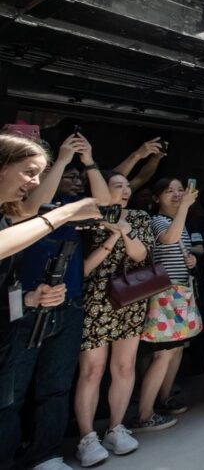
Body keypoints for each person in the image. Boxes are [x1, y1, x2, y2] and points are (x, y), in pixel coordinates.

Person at [0, 133, 103, 470]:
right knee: (9, 398)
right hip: (19, 320)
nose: (34, 182)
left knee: (51, 386)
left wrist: (27, 297)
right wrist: (61, 215)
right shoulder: (44, 213)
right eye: (30, 172)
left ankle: (46, 454)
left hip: (33, 308)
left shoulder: (9, 211)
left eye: (39, 174)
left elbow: (27, 210)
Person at [74, 172, 152, 466]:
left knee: (124, 366)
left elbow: (140, 256)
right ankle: (86, 437)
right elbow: (83, 267)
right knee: (92, 370)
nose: (126, 190)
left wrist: (125, 231)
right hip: (95, 298)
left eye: (128, 185)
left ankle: (116, 427)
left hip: (131, 296)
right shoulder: (87, 218)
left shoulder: (139, 217)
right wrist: (112, 234)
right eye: (117, 185)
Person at [132, 178, 200, 432]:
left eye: (180, 190)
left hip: (179, 293)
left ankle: (164, 399)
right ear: (156, 198)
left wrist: (191, 260)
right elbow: (169, 239)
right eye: (169, 191)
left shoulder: (178, 221)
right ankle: (144, 414)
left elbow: (178, 248)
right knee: (163, 354)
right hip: (164, 295)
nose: (177, 194)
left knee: (176, 349)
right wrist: (185, 206)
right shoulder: (158, 220)